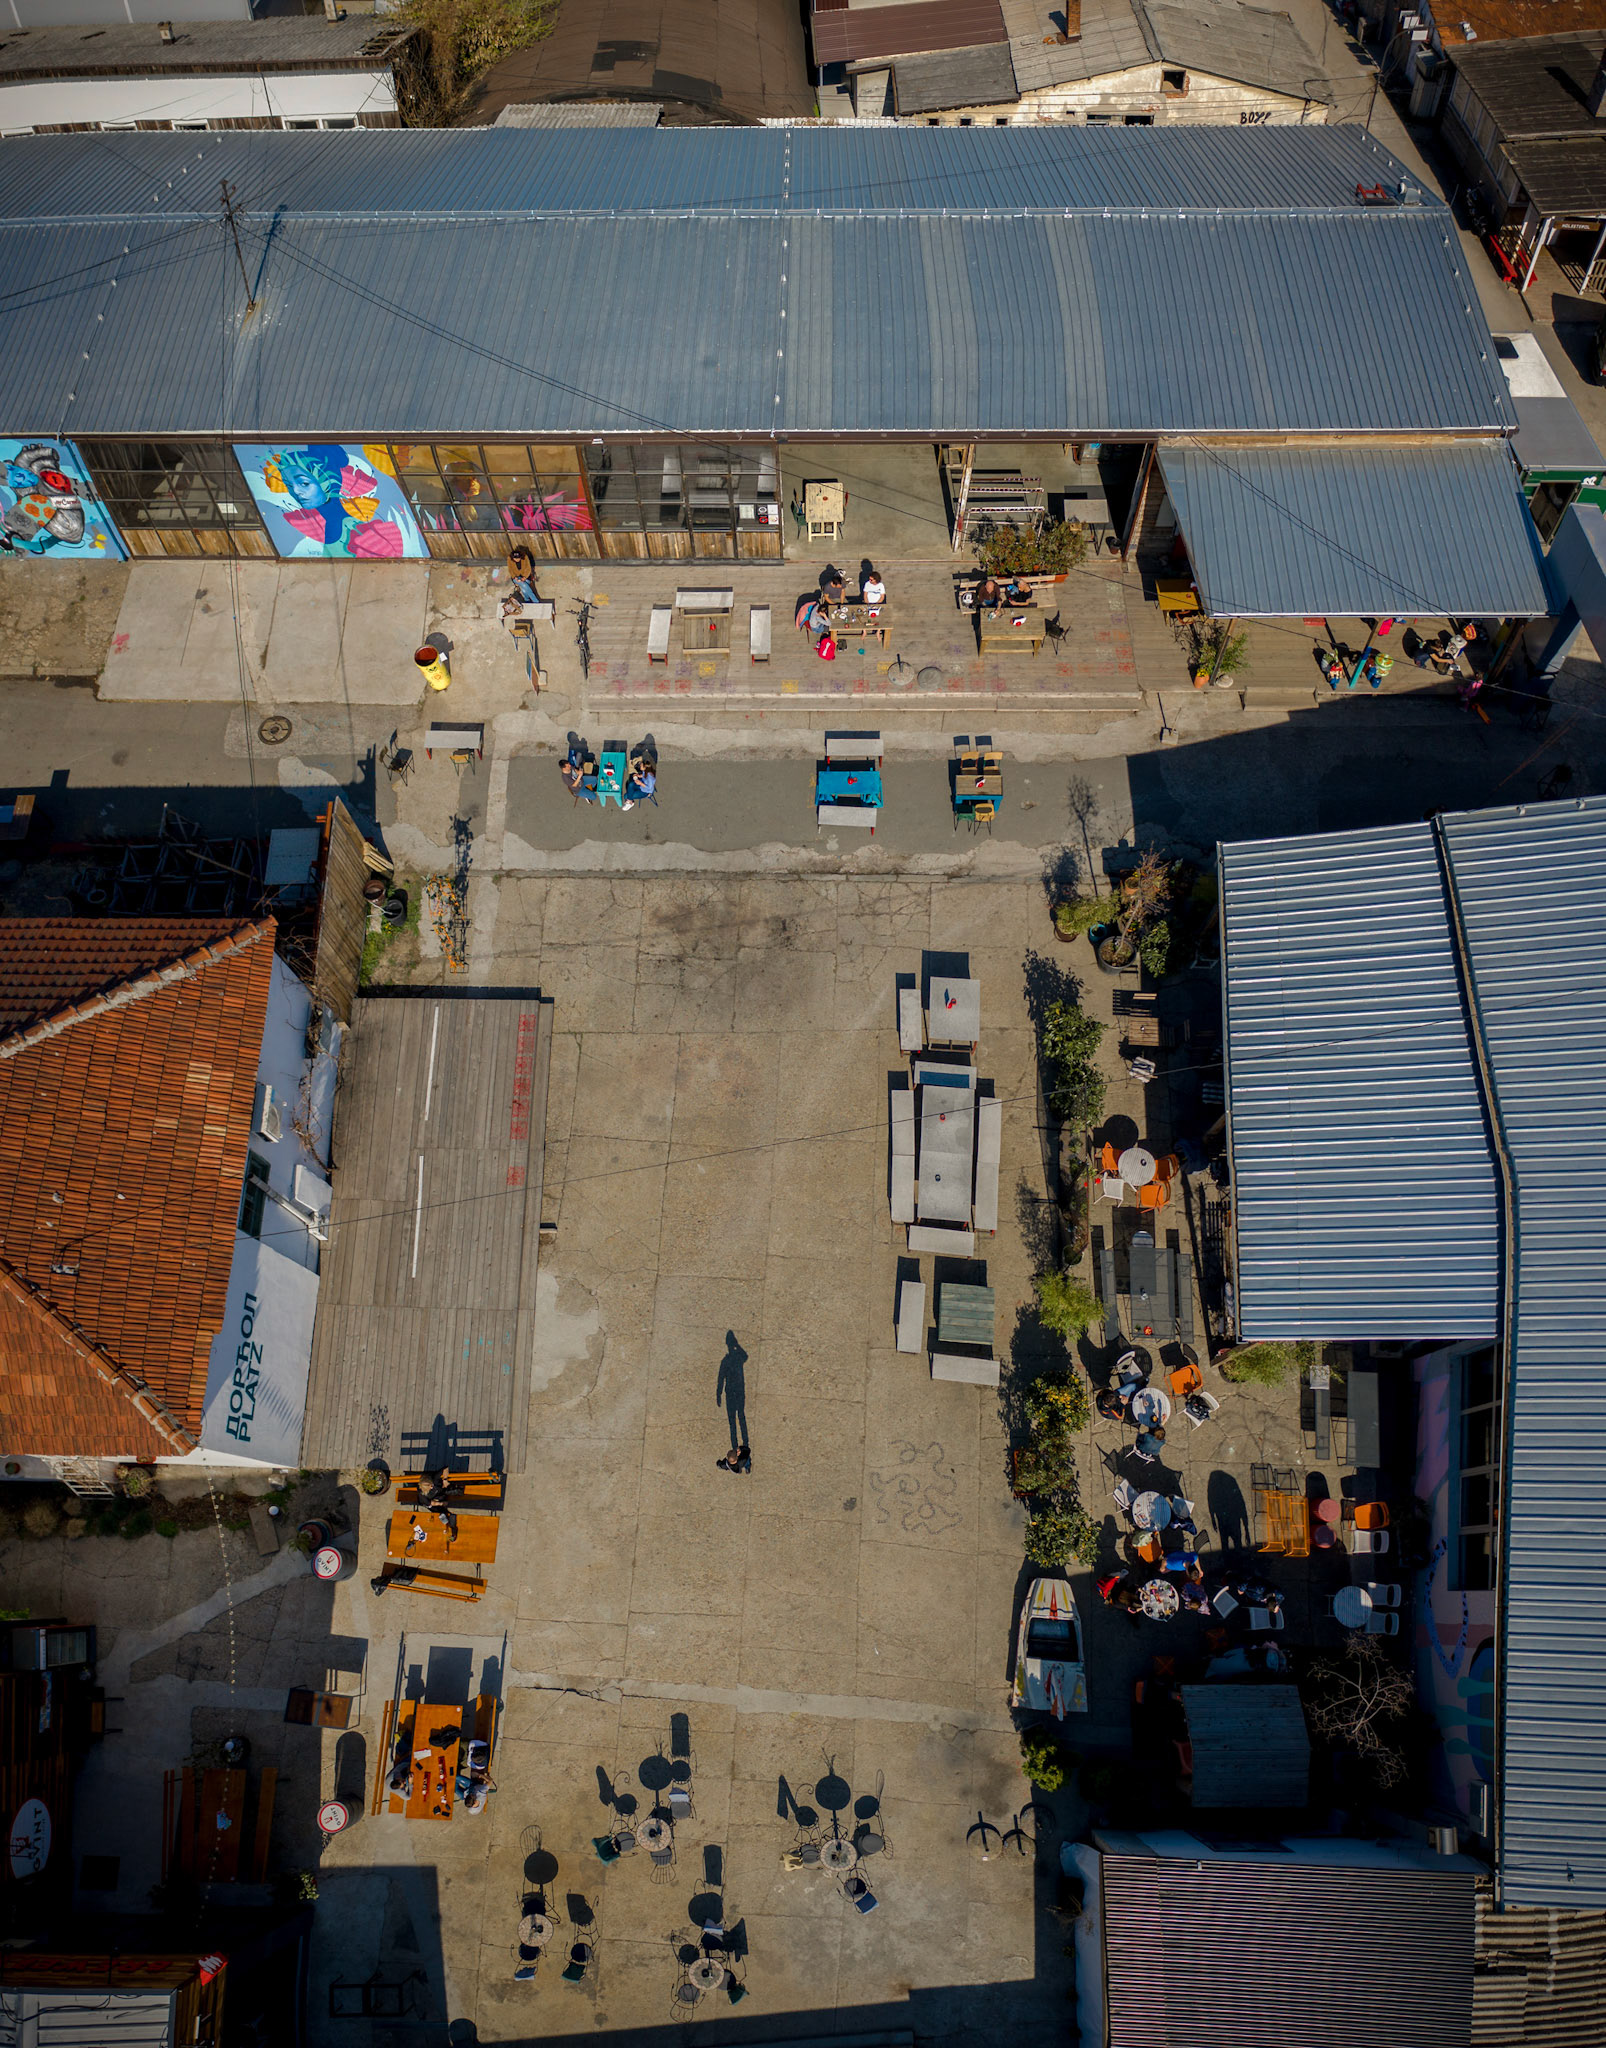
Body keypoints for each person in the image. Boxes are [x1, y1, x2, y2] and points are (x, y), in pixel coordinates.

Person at [499, 546, 540, 617]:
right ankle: (536, 601)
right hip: (516, 577)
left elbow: (528, 568)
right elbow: (510, 570)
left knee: (524, 588)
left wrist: (524, 577)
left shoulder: (525, 557)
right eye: (515, 558)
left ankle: (527, 599)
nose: (517, 560)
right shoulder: (509, 559)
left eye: (518, 558)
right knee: (524, 585)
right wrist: (515, 577)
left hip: (525, 576)